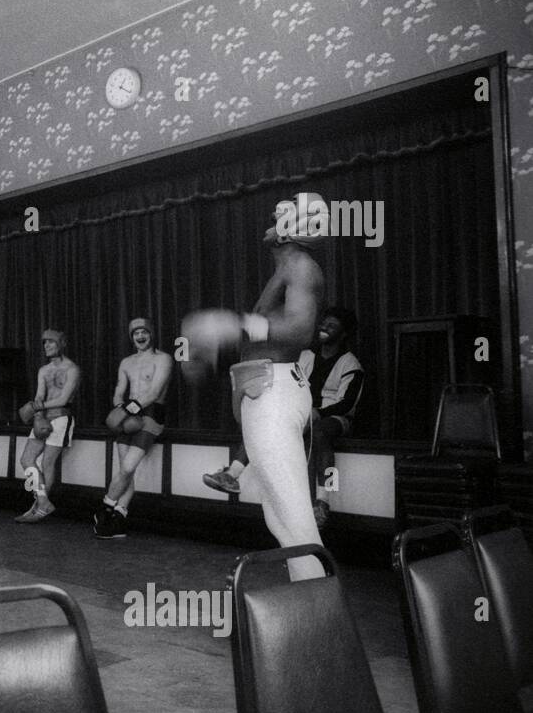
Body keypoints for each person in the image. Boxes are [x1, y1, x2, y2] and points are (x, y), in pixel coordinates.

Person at [181, 193, 331, 580]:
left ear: (296, 226)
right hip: (270, 391)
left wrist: (231, 324)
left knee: (294, 519)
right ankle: (313, 606)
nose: (271, 215)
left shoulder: (300, 266)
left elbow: (299, 330)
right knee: (282, 517)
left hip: (277, 396)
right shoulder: (288, 269)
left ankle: (323, 616)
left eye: (282, 212)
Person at [201, 306, 365, 529]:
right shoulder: (306, 356)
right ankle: (232, 474)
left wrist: (319, 412)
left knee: (321, 432)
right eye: (323, 323)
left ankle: (323, 501)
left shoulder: (351, 363)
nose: (324, 327)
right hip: (302, 413)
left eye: (332, 325)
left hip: (335, 419)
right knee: (263, 423)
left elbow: (348, 403)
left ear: (344, 333)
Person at [94, 319, 173, 538]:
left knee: (127, 468)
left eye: (143, 332)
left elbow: (154, 392)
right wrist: (120, 409)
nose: (140, 336)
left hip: (150, 417)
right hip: (129, 418)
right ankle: (119, 519)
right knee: (125, 473)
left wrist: (130, 409)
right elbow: (119, 391)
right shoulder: (126, 362)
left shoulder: (164, 358)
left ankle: (105, 508)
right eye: (136, 333)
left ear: (151, 334)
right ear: (131, 337)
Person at [15, 329, 79, 523]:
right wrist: (38, 414)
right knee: (27, 460)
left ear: (61, 343)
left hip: (61, 418)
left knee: (47, 463)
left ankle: (38, 507)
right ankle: (43, 502)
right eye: (44, 343)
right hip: (43, 417)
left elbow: (64, 398)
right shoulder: (43, 370)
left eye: (51, 342)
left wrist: (37, 406)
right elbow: (39, 395)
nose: (47, 346)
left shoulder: (72, 369)